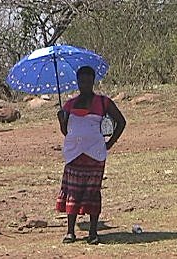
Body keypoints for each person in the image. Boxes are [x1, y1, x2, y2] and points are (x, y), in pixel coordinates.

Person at [55, 66, 126, 245]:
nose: (84, 85)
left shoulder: (103, 102)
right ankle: (70, 232)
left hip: (95, 154)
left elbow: (121, 122)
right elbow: (67, 132)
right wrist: (61, 121)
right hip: (74, 155)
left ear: (92, 82)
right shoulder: (69, 105)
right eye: (81, 82)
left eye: (87, 82)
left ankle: (93, 232)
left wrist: (109, 143)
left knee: (93, 192)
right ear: (77, 82)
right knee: (73, 191)